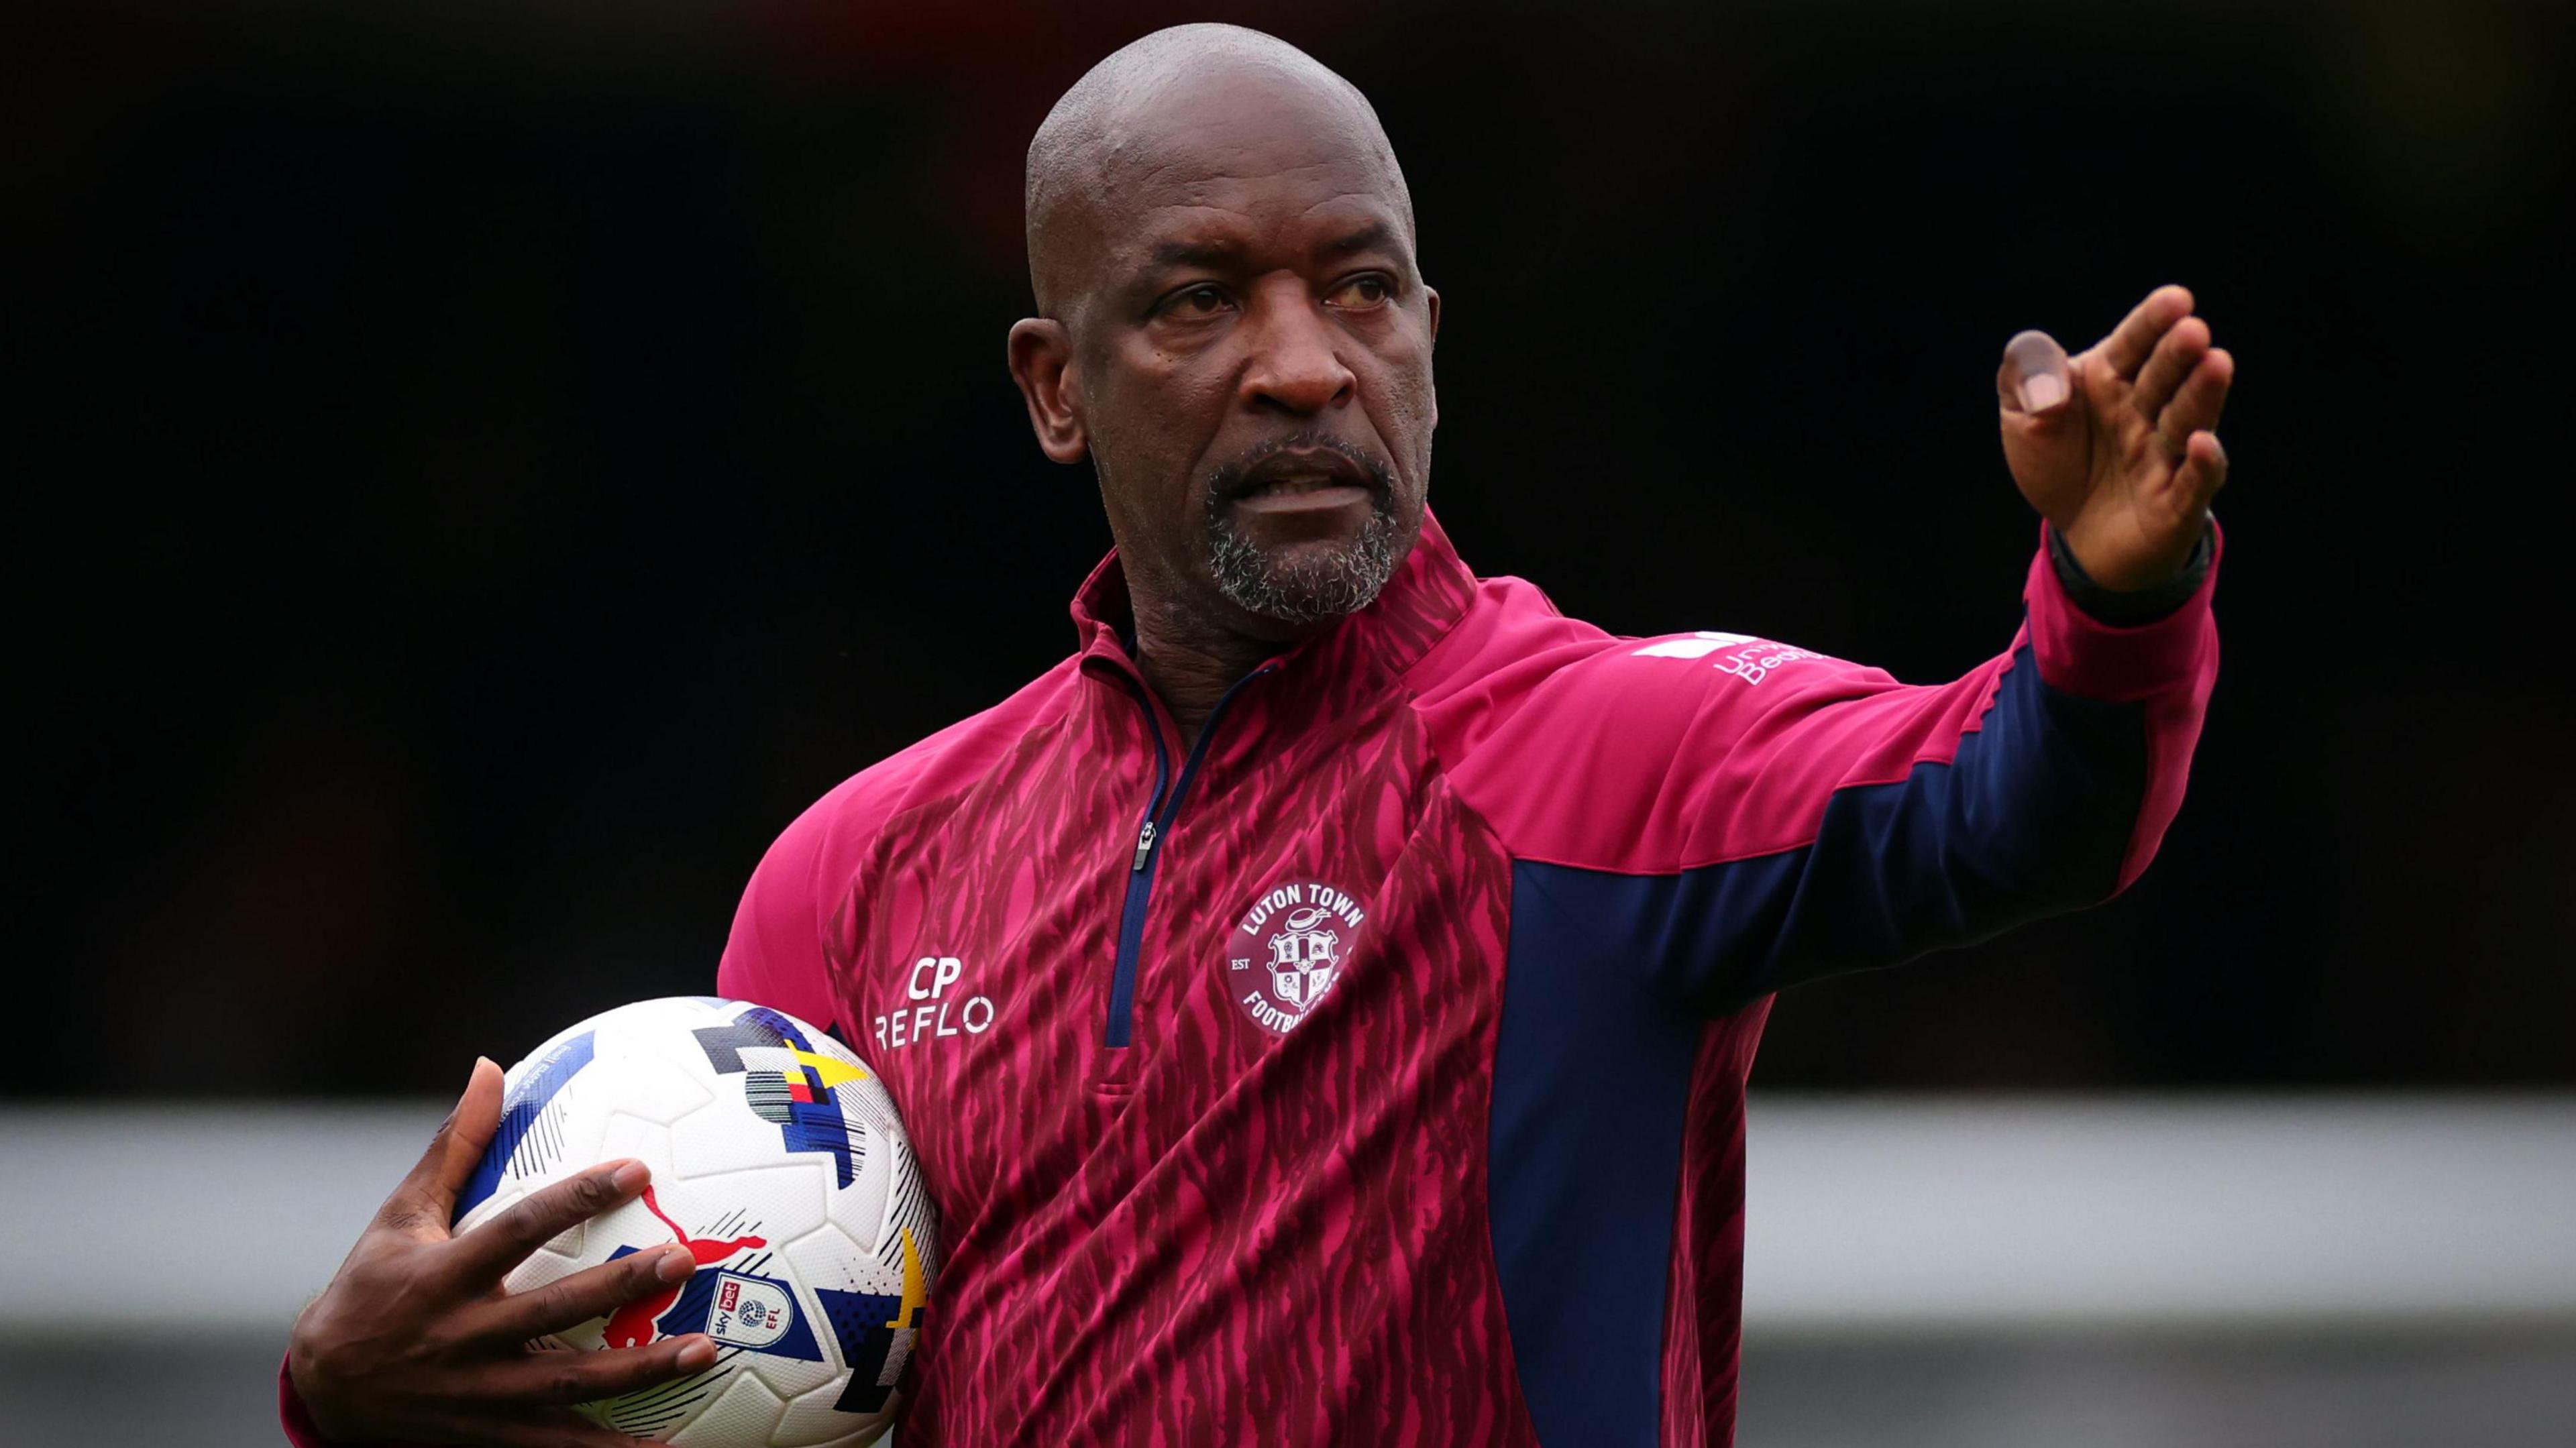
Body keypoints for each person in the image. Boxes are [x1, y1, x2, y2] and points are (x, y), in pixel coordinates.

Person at [282, 23, 2232, 1448]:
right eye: (1202, 301)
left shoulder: (1600, 756)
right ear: (1056, 388)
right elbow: (720, 1394)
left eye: (1359, 290)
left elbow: (2017, 809)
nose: (1306, 366)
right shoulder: (857, 878)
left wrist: (2115, 603)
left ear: (1429, 337)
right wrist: (363, 1403)